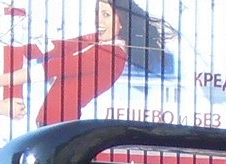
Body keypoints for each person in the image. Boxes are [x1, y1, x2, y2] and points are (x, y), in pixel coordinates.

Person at [36, 0, 171, 127]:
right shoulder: (97, 40)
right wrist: (25, 51)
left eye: (106, 15)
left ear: (121, 21)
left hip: (59, 125)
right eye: (97, 13)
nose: (98, 20)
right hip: (54, 123)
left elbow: (52, 68)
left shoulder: (110, 54)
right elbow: (61, 47)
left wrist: (14, 78)